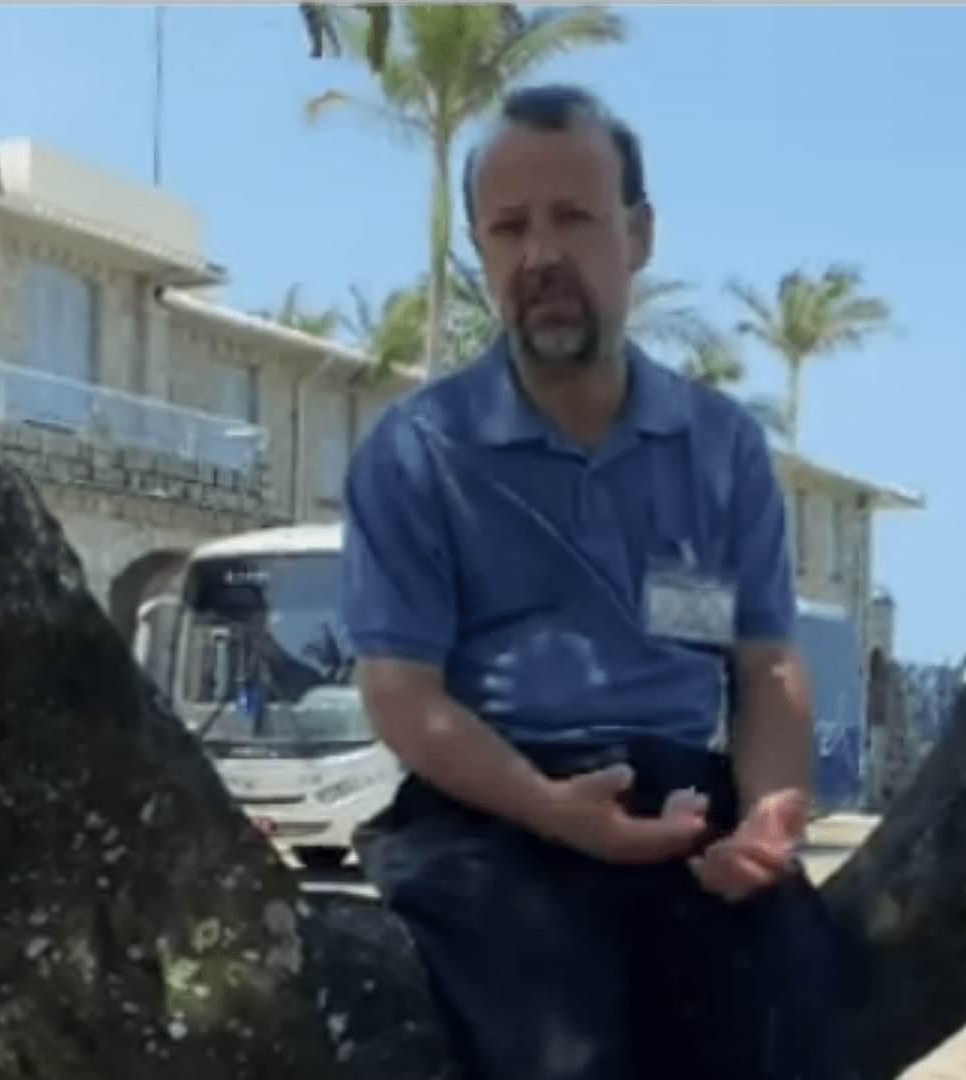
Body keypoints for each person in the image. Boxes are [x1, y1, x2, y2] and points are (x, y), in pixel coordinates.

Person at [341, 83, 855, 1080]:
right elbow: (399, 690)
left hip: (682, 795)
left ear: (639, 234)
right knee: (562, 1049)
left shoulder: (722, 449)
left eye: (572, 218)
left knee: (794, 1003)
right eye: (509, 227)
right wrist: (546, 805)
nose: (540, 255)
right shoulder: (416, 454)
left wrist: (763, 824)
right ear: (482, 252)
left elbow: (767, 669)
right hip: (486, 808)